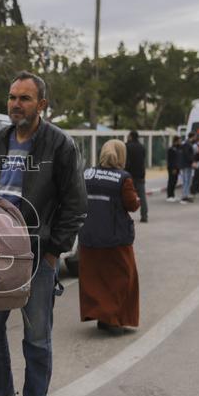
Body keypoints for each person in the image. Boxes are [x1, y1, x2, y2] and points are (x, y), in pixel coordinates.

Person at [0, 72, 87, 396]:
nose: (15, 104)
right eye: (11, 97)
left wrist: (54, 252)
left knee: (37, 336)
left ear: (41, 105)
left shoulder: (60, 145)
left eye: (24, 98)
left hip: (37, 253)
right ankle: (2, 394)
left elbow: (75, 203)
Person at [78, 140, 140, 334]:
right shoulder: (123, 178)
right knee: (121, 279)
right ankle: (114, 321)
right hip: (115, 240)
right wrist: (137, 199)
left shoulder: (86, 174)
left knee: (95, 279)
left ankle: (103, 318)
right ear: (121, 155)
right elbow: (132, 205)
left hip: (88, 238)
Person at [125, 131, 148, 222]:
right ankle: (144, 216)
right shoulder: (142, 147)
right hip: (140, 175)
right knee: (142, 197)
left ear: (130, 137)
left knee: (124, 196)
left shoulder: (127, 146)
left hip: (128, 175)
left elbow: (125, 161)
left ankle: (124, 217)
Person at [179, 132, 196, 203]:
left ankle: (187, 195)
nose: (195, 138)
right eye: (195, 136)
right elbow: (187, 155)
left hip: (188, 165)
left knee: (189, 180)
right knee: (186, 180)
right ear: (192, 136)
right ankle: (184, 196)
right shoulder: (187, 144)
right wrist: (192, 162)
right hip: (186, 165)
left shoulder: (189, 144)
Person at [165, 136, 181, 202]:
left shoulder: (177, 148)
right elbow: (171, 160)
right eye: (179, 141)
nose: (180, 142)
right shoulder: (171, 149)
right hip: (172, 168)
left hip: (177, 167)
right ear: (176, 141)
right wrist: (173, 168)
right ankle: (169, 196)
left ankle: (173, 195)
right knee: (171, 181)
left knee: (175, 181)